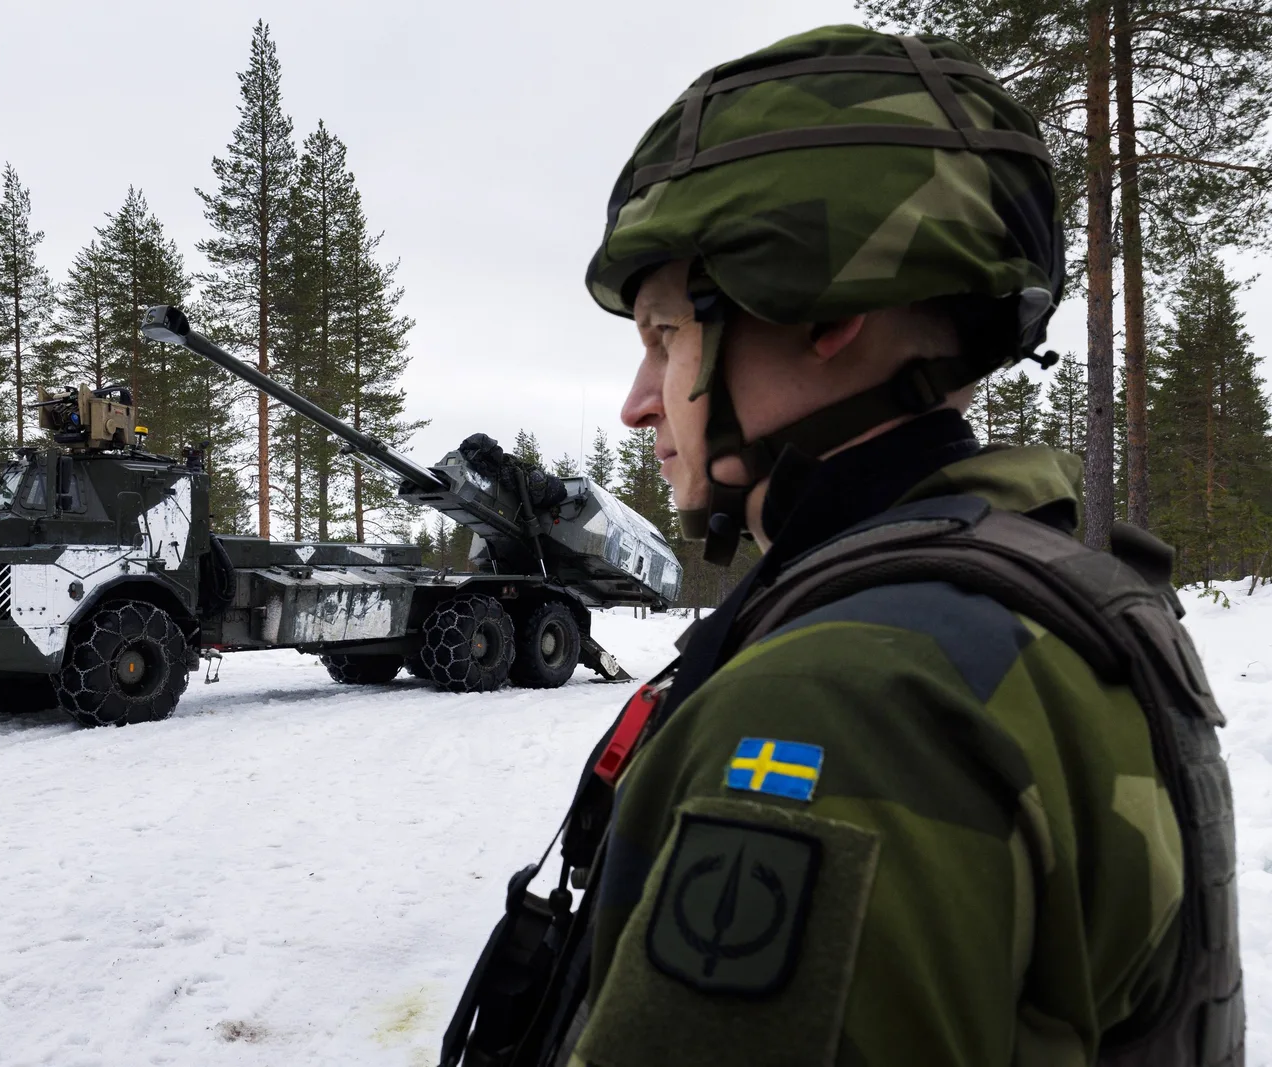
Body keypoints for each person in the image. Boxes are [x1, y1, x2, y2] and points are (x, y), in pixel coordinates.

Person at [440, 23, 1241, 1067]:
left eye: (663, 336)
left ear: (823, 313)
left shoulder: (847, 698)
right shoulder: (1042, 602)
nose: (639, 405)